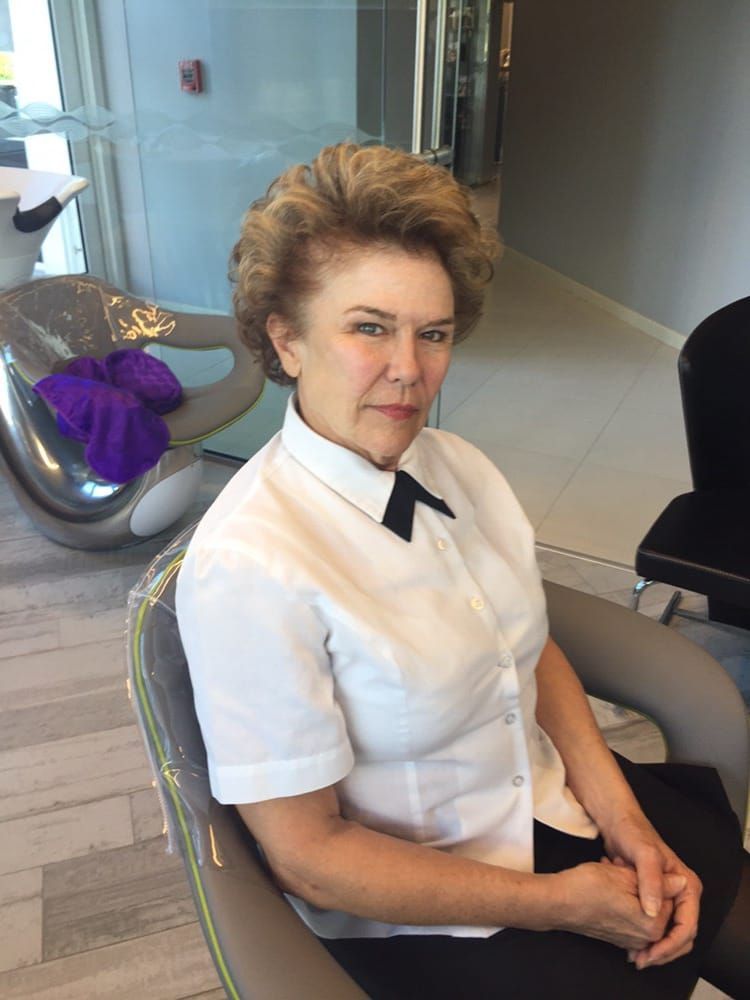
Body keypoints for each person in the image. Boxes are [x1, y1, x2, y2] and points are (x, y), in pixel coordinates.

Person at [175, 143, 745, 999]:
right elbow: (312, 858)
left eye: (432, 333)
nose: (410, 371)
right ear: (286, 340)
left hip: (552, 805)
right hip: (431, 906)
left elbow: (524, 646)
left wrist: (622, 819)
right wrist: (560, 904)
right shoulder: (250, 567)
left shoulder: (455, 465)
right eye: (369, 327)